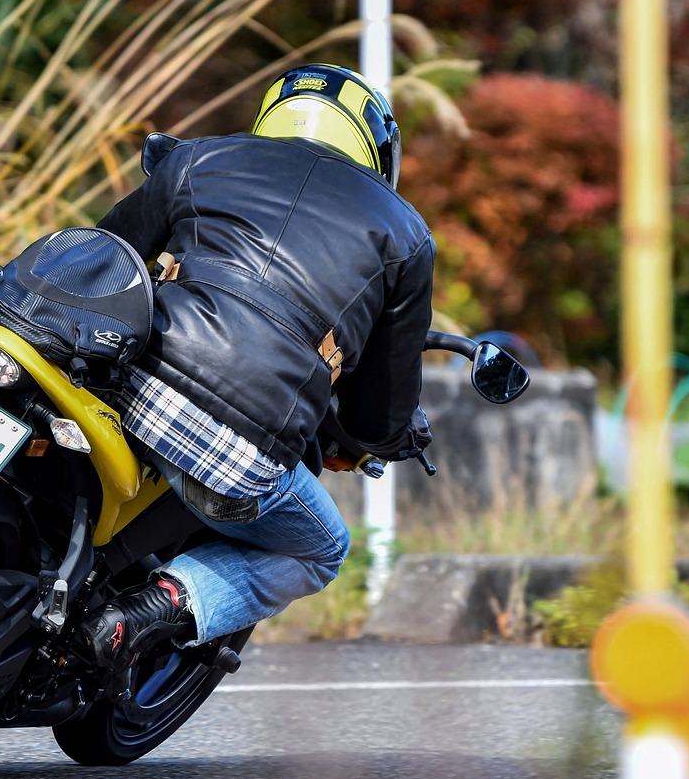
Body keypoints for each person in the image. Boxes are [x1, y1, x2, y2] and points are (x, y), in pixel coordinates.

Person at [81, 64, 435, 678]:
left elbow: (102, 254)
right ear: (375, 148)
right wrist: (390, 438)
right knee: (324, 547)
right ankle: (153, 607)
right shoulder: (404, 234)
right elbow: (379, 412)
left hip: (114, 380)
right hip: (228, 443)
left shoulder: (199, 158)